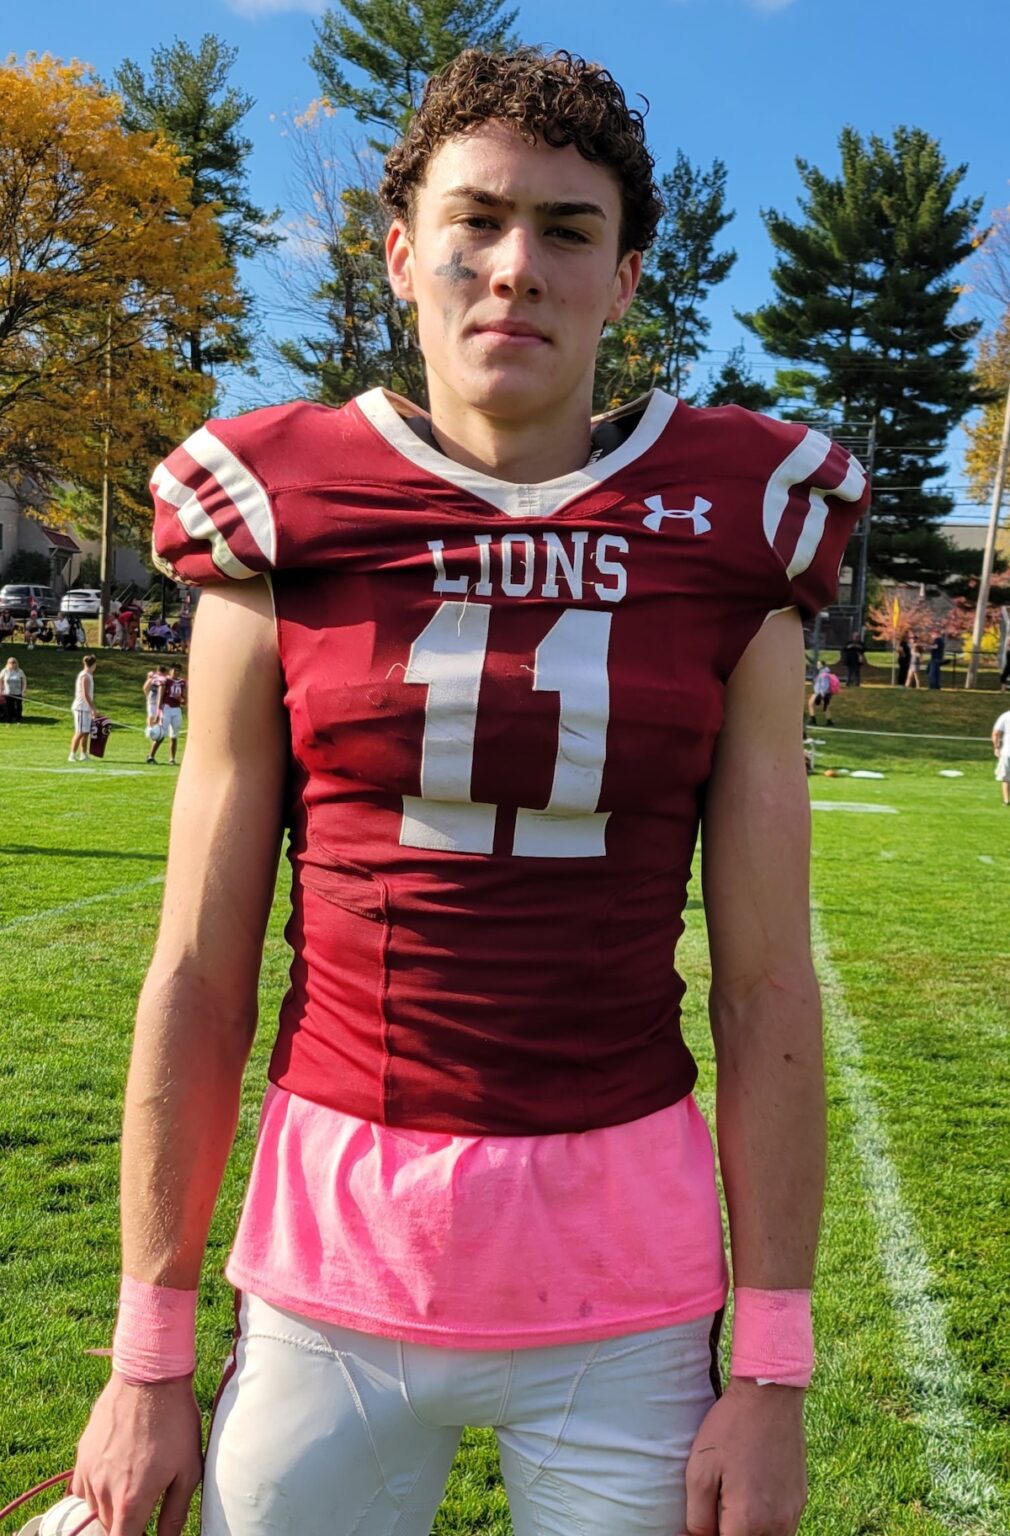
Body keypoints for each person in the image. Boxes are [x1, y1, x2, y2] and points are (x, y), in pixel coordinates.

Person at [71, 47, 870, 1536]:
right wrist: (146, 1353)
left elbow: (767, 982)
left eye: (566, 231)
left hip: (625, 1297)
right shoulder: (283, 509)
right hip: (330, 1271)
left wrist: (770, 1371)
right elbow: (195, 967)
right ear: (400, 255)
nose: (515, 269)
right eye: (477, 221)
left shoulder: (730, 526)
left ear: (624, 279)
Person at [154, 664, 187, 765]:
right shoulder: (165, 681)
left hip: (176, 709)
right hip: (166, 708)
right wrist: (158, 712)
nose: (176, 672)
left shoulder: (182, 682)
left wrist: (180, 699)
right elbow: (160, 696)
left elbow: (184, 700)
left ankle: (172, 759)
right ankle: (151, 756)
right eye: (174, 670)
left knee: (174, 735)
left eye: (178, 671)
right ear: (170, 671)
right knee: (161, 734)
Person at [69, 654, 97, 762]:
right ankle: (72, 755)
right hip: (81, 707)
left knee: (86, 732)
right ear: (93, 665)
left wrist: (90, 709)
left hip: (86, 708)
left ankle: (83, 754)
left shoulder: (89, 675)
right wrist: (93, 708)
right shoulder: (84, 676)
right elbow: (85, 695)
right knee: (80, 731)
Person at [143, 663, 168, 763]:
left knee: (151, 717)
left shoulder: (153, 677)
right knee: (157, 723)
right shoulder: (164, 678)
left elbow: (145, 687)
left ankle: (150, 728)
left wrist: (147, 696)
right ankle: (152, 731)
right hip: (159, 701)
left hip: (151, 699)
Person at [992, 708, 1010, 805]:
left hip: (1007, 752)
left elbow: (996, 733)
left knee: (1006, 778)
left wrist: (997, 747)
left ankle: (1007, 801)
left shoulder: (1006, 716)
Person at [1, 655, 26, 722]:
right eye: (10, 662)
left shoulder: (20, 671)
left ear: (16, 663)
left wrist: (23, 691)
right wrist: (1, 689)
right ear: (7, 663)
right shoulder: (4, 671)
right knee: (9, 707)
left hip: (18, 692)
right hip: (7, 693)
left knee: (18, 707)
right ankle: (9, 720)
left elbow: (24, 681)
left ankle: (18, 720)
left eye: (14, 662)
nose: (12, 664)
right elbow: (0, 680)